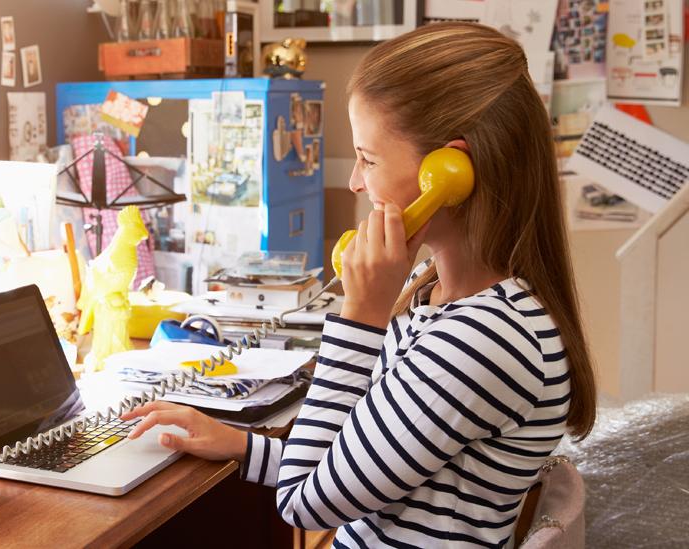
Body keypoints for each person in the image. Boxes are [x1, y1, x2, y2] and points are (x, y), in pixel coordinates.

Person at [122, 22, 596, 548]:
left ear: (453, 169)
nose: (354, 181)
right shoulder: (435, 293)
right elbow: (358, 461)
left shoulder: (484, 340)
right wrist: (242, 445)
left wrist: (361, 316)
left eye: (368, 159)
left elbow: (306, 501)